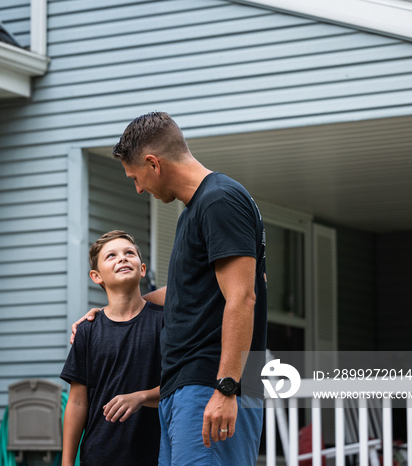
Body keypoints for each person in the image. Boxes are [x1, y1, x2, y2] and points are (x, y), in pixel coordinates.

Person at [71, 112, 267, 465]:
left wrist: (227, 388)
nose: (138, 188)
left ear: (153, 163)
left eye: (135, 177)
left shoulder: (220, 201)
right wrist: (117, 310)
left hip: (210, 386)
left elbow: (244, 296)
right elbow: (185, 294)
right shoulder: (195, 211)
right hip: (185, 391)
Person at [60, 230, 164, 466]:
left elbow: (177, 385)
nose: (123, 258)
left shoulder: (165, 322)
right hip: (99, 456)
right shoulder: (88, 330)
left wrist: (141, 397)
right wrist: (67, 463)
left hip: (155, 455)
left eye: (129, 253)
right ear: (97, 276)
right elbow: (77, 402)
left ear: (143, 268)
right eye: (111, 256)